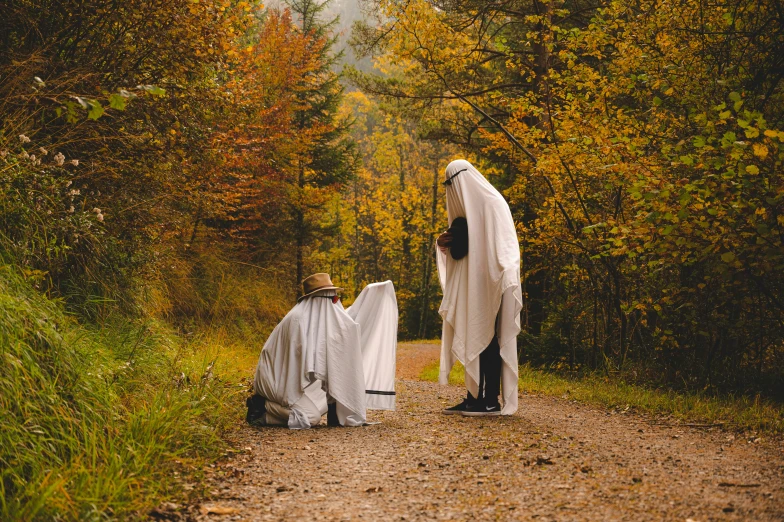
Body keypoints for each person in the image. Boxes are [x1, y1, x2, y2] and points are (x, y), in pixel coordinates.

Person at [436, 159, 522, 416]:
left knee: (490, 339)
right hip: (471, 287)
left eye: (453, 183)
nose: (452, 190)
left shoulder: (493, 203)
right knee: (474, 333)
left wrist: (506, 275)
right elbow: (465, 250)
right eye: (448, 185)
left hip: (492, 283)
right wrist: (442, 244)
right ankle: (473, 397)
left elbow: (507, 245)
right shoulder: (468, 213)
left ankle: (491, 400)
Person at [247, 273, 367, 429]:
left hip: (289, 378)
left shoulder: (313, 319)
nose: (336, 301)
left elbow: (324, 361)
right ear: (320, 298)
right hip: (277, 381)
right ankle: (262, 409)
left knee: (333, 395)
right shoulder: (299, 321)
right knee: (310, 418)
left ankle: (280, 409)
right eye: (332, 297)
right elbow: (297, 366)